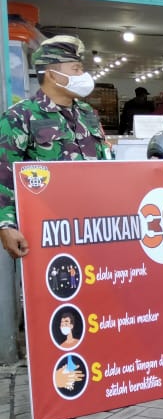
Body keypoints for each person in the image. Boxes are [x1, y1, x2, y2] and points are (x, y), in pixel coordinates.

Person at [0, 36, 111, 259]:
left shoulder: (87, 113)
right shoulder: (20, 116)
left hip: (95, 225)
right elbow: (3, 174)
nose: (83, 75)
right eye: (76, 69)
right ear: (52, 74)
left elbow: (106, 162)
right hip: (47, 229)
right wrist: (5, 225)